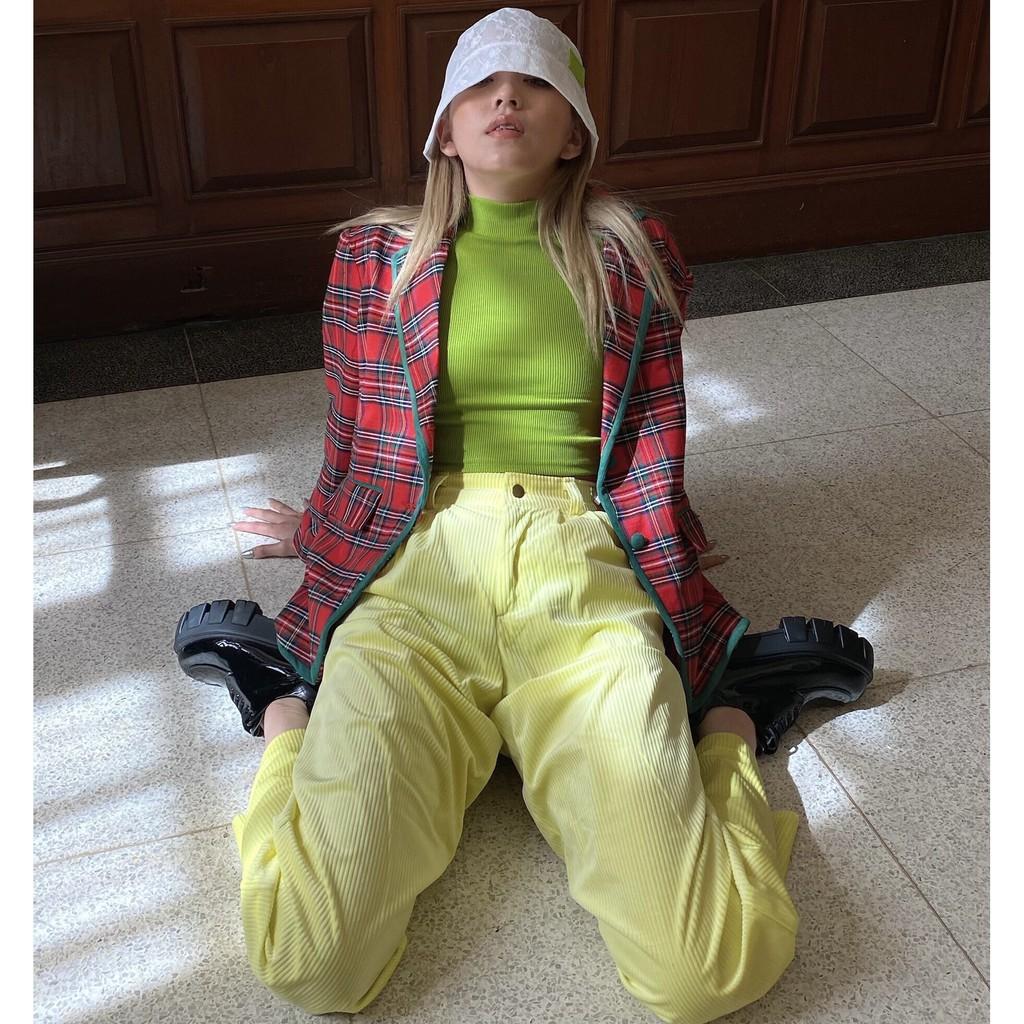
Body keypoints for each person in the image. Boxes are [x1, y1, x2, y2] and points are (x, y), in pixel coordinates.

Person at [174, 9, 872, 1022]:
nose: (507, 95)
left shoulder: (630, 249)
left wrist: (665, 541)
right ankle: (282, 707)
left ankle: (734, 716)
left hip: (577, 567)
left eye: (537, 83)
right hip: (415, 571)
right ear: (445, 132)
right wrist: (325, 528)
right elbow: (357, 421)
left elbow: (652, 422)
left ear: (574, 132)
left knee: (707, 972)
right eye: (481, 83)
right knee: (311, 963)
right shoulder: (374, 255)